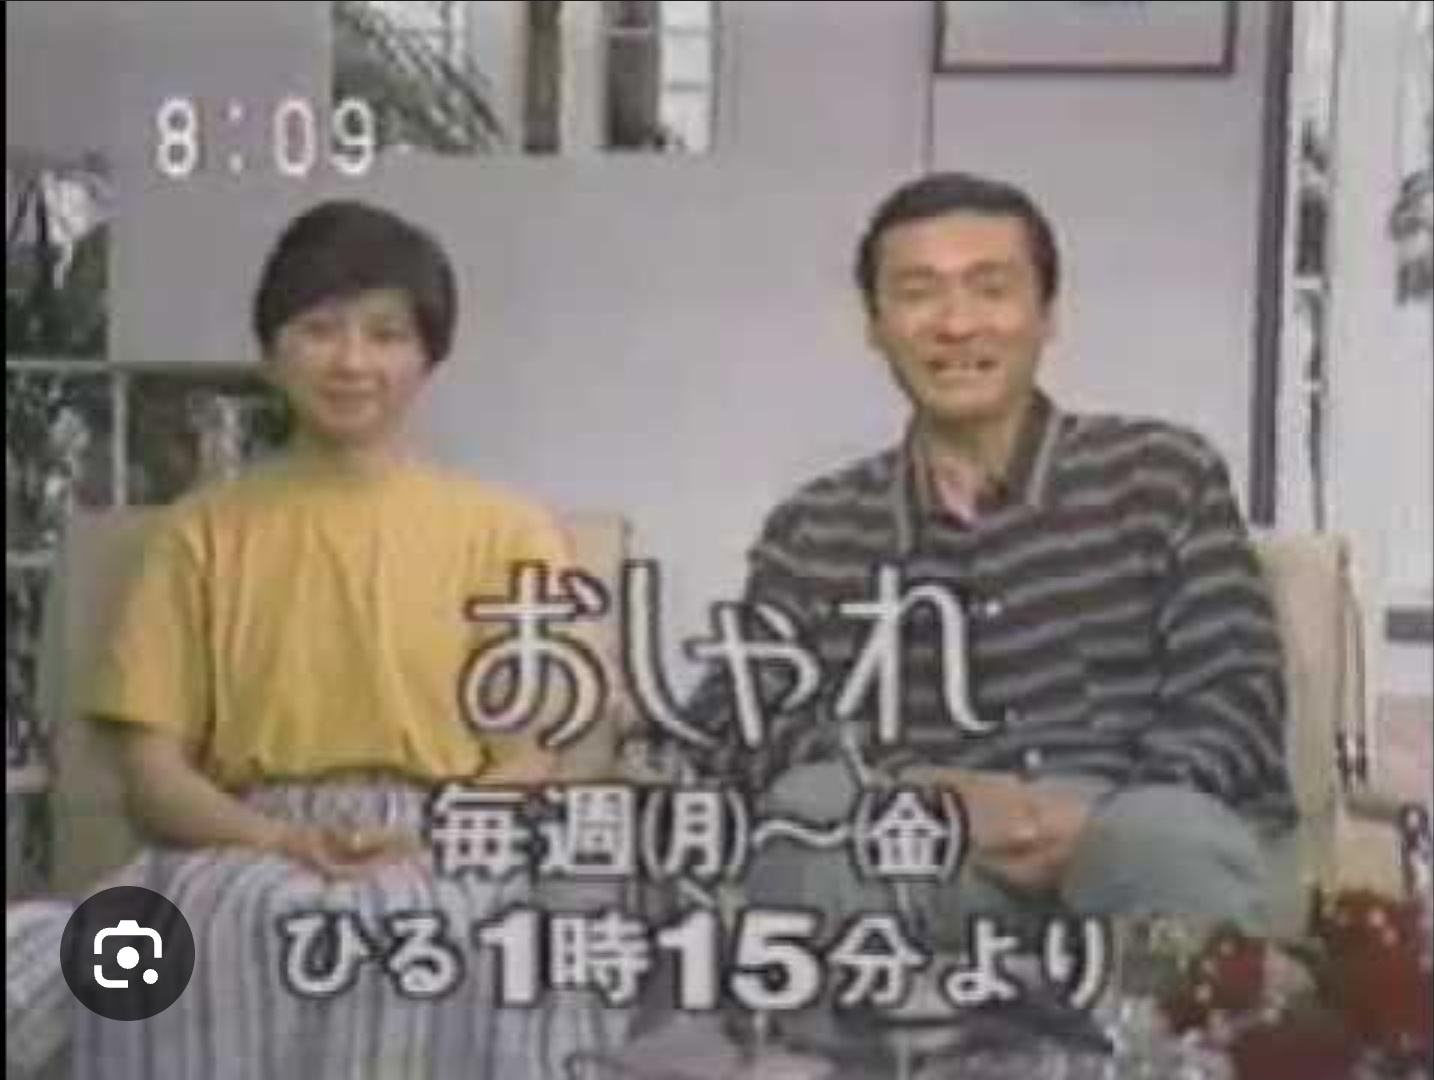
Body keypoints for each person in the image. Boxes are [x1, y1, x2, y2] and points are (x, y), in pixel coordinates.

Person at [6, 200, 625, 1079]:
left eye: (386, 334)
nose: (352, 361)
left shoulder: (506, 531)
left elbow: (528, 760)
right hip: (243, 834)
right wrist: (279, 842)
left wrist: (429, 840)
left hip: (447, 833)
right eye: (320, 329)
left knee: (440, 931)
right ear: (273, 350)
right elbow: (156, 777)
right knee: (217, 929)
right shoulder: (201, 533)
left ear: (429, 356)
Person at [684, 172, 1298, 947]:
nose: (956, 324)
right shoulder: (814, 528)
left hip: (1130, 827)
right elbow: (730, 722)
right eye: (918, 293)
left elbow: (1234, 695)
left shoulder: (1161, 474)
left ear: (1047, 314)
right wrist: (918, 788)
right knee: (812, 815)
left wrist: (1096, 816)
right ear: (874, 325)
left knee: (1169, 835)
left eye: (991, 289)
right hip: (925, 848)